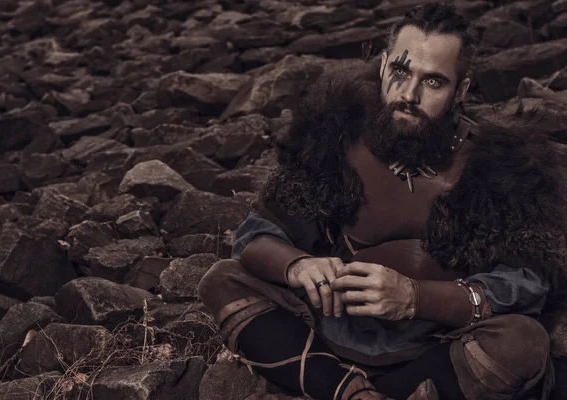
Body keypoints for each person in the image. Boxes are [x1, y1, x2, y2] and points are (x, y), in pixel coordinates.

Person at [199, 3, 567, 399]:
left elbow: (525, 286)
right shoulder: (335, 137)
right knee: (222, 278)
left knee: (522, 342)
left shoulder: (499, 165)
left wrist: (413, 297)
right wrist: (297, 265)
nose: (409, 94)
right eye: (401, 72)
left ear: (461, 90)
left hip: (437, 349)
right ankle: (349, 392)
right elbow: (256, 234)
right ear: (383, 66)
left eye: (433, 82)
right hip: (328, 335)